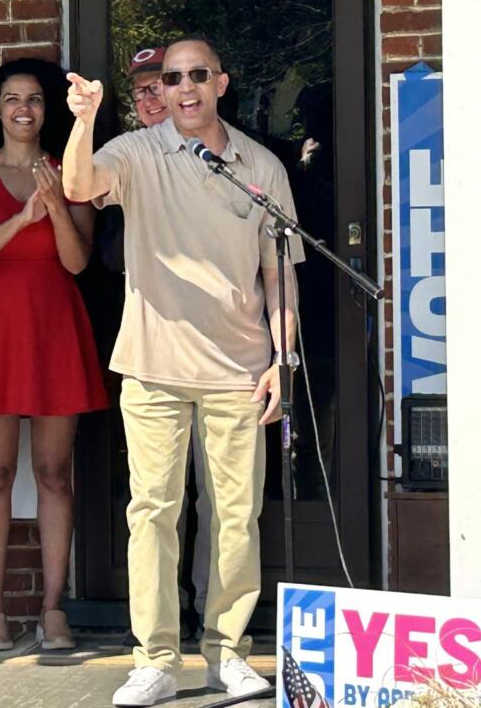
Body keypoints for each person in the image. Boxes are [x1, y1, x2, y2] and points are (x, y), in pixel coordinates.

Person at [63, 37, 304, 705]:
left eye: (199, 74)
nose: (186, 86)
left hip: (239, 369)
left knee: (235, 516)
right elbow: (79, 186)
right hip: (153, 368)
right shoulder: (138, 153)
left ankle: (228, 653)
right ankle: (156, 661)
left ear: (222, 83)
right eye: (173, 78)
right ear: (160, 93)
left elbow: (280, 273)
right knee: (154, 514)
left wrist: (282, 361)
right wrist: (84, 120)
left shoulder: (260, 164)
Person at [0, 58, 108, 653]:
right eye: (12, 98)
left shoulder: (71, 171)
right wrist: (21, 219)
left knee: (54, 474)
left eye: (35, 99)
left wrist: (57, 205)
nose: (23, 108)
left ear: (48, 109)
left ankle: (52, 609)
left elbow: (76, 262)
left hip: (54, 329)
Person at [125, 46, 211, 637]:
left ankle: (211, 617)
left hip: (220, 352)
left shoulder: (228, 156)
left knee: (223, 503)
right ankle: (156, 634)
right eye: (146, 91)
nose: (158, 97)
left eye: (168, 84)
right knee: (153, 501)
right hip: (144, 346)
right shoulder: (122, 159)